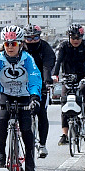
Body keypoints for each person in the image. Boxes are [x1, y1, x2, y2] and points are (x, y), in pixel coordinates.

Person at [0, 25, 42, 171]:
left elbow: (35, 77)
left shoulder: (27, 59)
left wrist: (35, 97)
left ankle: (29, 157)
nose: (10, 47)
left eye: (14, 43)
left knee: (25, 128)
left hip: (24, 94)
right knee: (3, 120)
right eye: (7, 44)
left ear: (20, 44)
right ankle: (1, 152)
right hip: (6, 94)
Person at [51, 24, 85, 145]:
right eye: (73, 38)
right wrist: (55, 75)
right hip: (68, 76)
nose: (76, 40)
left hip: (83, 75)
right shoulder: (63, 46)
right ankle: (64, 134)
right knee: (64, 104)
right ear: (69, 37)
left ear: (82, 37)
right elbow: (58, 61)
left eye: (78, 38)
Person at [23, 25, 56, 158]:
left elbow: (47, 65)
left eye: (35, 37)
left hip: (40, 82)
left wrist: (47, 81)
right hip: (22, 83)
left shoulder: (45, 47)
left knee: (41, 113)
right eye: (29, 38)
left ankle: (42, 144)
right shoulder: (20, 47)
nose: (32, 41)